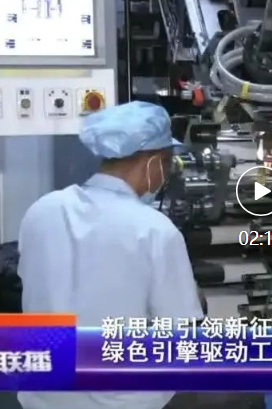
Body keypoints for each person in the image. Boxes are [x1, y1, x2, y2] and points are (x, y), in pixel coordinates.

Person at [17, 101, 204, 409]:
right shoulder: (154, 229)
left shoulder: (43, 210)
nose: (165, 175)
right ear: (153, 162)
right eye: (167, 164)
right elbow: (180, 332)